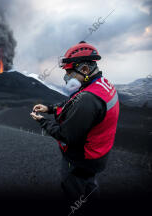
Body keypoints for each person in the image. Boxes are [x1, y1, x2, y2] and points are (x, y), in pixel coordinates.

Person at [30, 41, 119, 208]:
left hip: (81, 159)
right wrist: (50, 109)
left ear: (84, 69)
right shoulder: (101, 84)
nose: (67, 77)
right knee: (90, 186)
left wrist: (42, 121)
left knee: (74, 193)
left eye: (69, 73)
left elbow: (65, 135)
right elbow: (73, 103)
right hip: (97, 155)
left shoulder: (88, 99)